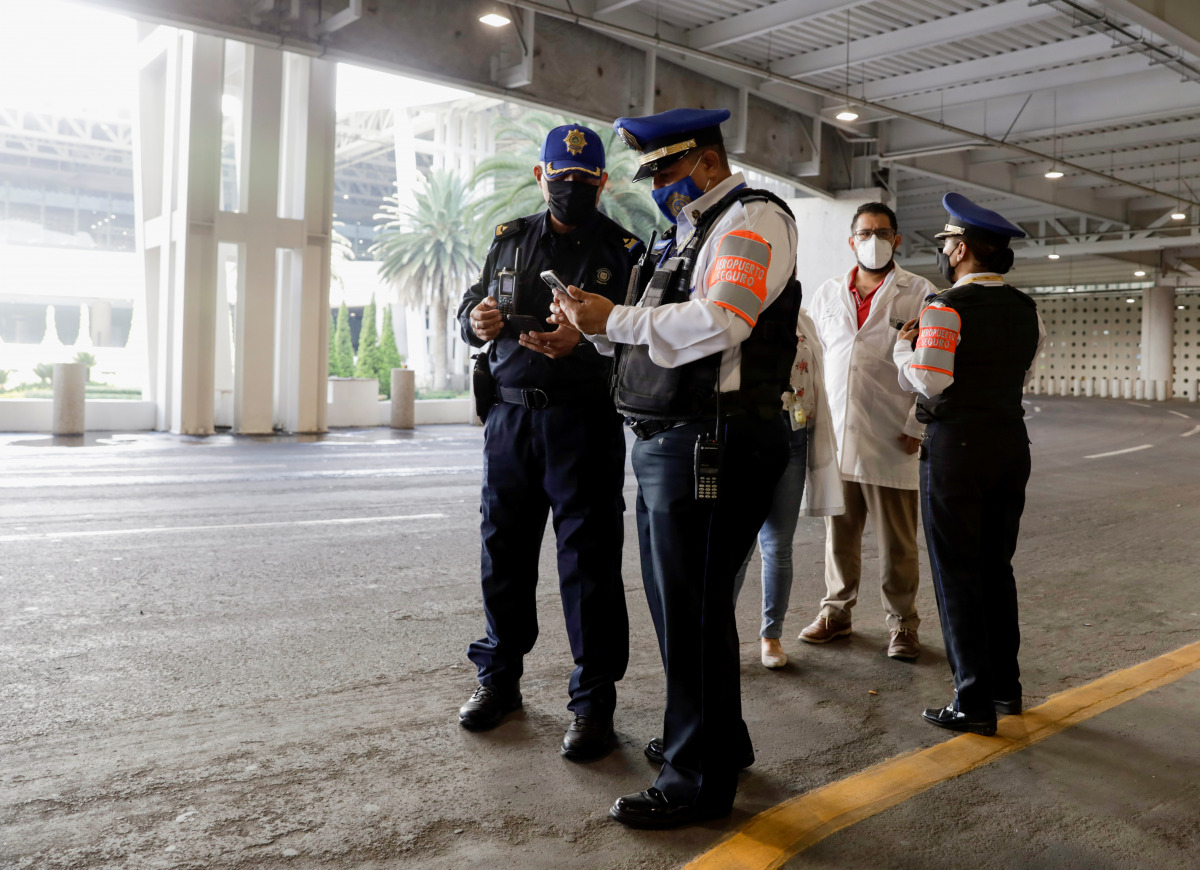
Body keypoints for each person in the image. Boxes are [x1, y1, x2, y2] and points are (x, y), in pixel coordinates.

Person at [548, 107, 801, 828]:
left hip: (715, 440)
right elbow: (656, 341)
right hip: (673, 439)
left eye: (664, 170)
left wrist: (618, 320)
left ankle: (697, 779)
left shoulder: (750, 224)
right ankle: (716, 738)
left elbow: (724, 320)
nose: (655, 185)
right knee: (684, 609)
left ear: (707, 162)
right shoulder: (682, 235)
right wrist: (595, 326)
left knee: (689, 612)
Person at [454, 124, 644, 762]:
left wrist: (586, 347)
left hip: (582, 424)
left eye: (584, 180)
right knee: (502, 553)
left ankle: (593, 704)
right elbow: (471, 308)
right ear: (541, 176)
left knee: (589, 567)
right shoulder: (509, 240)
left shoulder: (625, 253)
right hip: (509, 424)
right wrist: (475, 321)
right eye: (560, 176)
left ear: (603, 184)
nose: (571, 187)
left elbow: (646, 353)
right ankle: (499, 679)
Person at [893, 191, 1046, 736]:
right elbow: (1021, 372)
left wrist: (901, 355)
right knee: (995, 567)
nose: (944, 252)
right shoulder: (1027, 308)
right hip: (1010, 442)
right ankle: (1006, 688)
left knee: (956, 573)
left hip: (957, 447)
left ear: (960, 250)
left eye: (947, 243)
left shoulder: (945, 306)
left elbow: (932, 378)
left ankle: (972, 701)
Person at [799, 202, 936, 661]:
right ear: (851, 239)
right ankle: (836, 613)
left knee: (898, 540)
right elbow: (812, 359)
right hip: (836, 434)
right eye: (864, 232)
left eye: (882, 232)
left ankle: (902, 624)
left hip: (892, 434)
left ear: (896, 239)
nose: (873, 239)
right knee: (839, 536)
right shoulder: (827, 293)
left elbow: (933, 365)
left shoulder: (919, 292)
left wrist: (917, 422)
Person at [731, 310, 844, 669]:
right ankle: (718, 636)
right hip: (747, 438)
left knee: (778, 545)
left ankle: (771, 636)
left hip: (793, 434)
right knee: (738, 547)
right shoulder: (735, 314)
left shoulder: (801, 318)